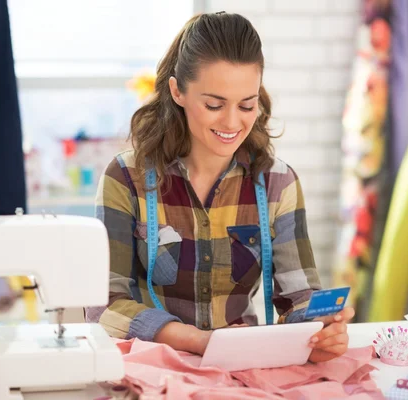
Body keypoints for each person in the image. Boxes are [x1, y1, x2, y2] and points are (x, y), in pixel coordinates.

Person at [86, 12, 355, 363]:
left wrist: (320, 330)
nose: (232, 122)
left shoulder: (277, 182)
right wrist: (197, 340)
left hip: (242, 363)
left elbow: (299, 295)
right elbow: (103, 304)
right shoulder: (126, 177)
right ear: (177, 91)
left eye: (247, 104)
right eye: (214, 105)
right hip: (151, 362)